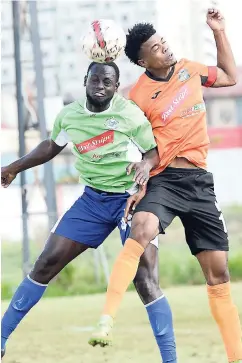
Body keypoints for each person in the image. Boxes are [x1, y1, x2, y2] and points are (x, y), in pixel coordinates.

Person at [90, 9, 242, 363]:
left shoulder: (191, 68)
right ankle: (106, 320)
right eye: (157, 48)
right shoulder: (138, 97)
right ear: (144, 60)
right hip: (165, 179)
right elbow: (141, 144)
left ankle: (236, 356)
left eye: (164, 42)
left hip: (200, 182)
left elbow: (231, 77)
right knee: (141, 229)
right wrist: (140, 177)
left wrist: (219, 32)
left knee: (218, 272)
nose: (166, 49)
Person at [1, 62, 166, 359]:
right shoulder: (69, 116)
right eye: (95, 79)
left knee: (145, 280)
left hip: (131, 200)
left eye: (107, 81)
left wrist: (145, 166)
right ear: (85, 80)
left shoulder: (128, 114)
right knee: (45, 263)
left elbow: (152, 151)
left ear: (116, 87)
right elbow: (51, 147)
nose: (100, 85)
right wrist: (13, 168)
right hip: (92, 201)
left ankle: (171, 358)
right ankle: (0, 339)